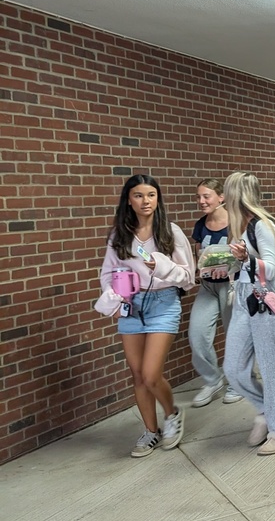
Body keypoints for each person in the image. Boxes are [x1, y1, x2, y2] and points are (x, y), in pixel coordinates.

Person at [99, 174, 195, 457]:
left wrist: (160, 265)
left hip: (164, 303)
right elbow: (107, 272)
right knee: (138, 375)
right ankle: (150, 431)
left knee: (152, 374)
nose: (146, 201)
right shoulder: (120, 234)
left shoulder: (170, 232)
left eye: (151, 195)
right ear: (129, 199)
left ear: (158, 199)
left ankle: (172, 413)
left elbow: (188, 278)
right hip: (131, 304)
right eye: (139, 195)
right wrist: (114, 299)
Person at [222, 172, 275, 456]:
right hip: (244, 298)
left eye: (227, 191)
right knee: (234, 368)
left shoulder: (262, 225)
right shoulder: (238, 225)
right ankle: (267, 411)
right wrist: (228, 267)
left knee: (271, 368)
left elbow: (270, 266)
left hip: (266, 298)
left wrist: (246, 259)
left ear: (236, 194)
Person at [189, 178, 245, 407]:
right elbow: (197, 254)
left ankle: (238, 382)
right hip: (208, 286)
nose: (201, 201)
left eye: (206, 196)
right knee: (197, 334)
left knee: (235, 336)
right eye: (199, 197)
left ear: (221, 197)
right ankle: (213, 380)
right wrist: (196, 269)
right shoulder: (200, 225)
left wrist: (230, 268)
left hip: (232, 286)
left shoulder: (236, 223)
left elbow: (245, 255)